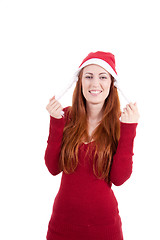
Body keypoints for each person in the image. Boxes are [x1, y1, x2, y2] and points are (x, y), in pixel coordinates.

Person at [44, 51, 140, 240]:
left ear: (112, 84)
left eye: (102, 76)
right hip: (62, 227)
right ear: (79, 82)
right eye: (88, 76)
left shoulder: (120, 123)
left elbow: (119, 178)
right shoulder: (66, 117)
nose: (95, 84)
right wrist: (55, 122)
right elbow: (53, 168)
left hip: (105, 229)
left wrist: (129, 129)